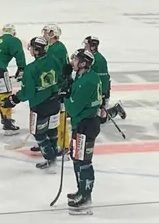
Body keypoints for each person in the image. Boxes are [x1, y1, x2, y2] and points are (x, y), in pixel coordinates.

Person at [8, 36, 65, 170]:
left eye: (32, 48)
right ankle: (54, 154)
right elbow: (61, 78)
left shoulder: (31, 68)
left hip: (40, 106)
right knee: (52, 129)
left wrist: (13, 99)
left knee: (38, 133)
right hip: (55, 101)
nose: (31, 50)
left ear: (37, 50)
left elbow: (28, 93)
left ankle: (50, 159)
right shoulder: (54, 60)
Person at [63, 48, 106, 211]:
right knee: (77, 158)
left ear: (83, 63)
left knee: (84, 162)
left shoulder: (88, 81)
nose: (72, 61)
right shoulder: (84, 76)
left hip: (86, 125)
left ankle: (86, 196)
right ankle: (81, 191)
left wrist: (66, 97)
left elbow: (73, 109)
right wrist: (67, 81)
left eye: (76, 59)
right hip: (81, 124)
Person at [82, 36, 125, 123]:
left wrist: (103, 94)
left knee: (101, 120)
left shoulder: (99, 59)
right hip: (92, 90)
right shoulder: (87, 57)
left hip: (101, 91)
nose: (84, 47)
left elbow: (104, 78)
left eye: (86, 45)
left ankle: (116, 109)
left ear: (93, 47)